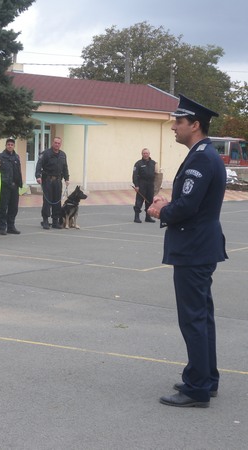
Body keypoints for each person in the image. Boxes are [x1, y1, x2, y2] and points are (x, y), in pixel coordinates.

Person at [147, 94, 227, 408]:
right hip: (200, 246)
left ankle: (197, 389)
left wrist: (162, 211)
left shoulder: (201, 157)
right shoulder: (205, 154)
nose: (173, 128)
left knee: (193, 318)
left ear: (194, 124)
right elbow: (194, 201)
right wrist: (171, 205)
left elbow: (189, 206)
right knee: (202, 317)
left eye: (178, 122)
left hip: (193, 248)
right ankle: (206, 377)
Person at [35, 137, 69, 230]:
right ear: (52, 143)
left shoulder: (63, 155)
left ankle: (55, 221)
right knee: (47, 201)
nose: (57, 144)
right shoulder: (46, 153)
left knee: (57, 201)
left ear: (60, 144)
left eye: (58, 143)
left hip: (58, 181)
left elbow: (65, 167)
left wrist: (67, 178)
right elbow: (39, 165)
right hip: (47, 180)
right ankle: (45, 220)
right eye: (55, 142)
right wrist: (38, 176)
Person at [0, 138, 23, 234]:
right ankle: (2, 227)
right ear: (5, 145)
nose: (10, 146)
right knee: (3, 208)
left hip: (15, 186)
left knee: (14, 208)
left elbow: (18, 171)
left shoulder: (16, 157)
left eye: (11, 145)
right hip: (5, 187)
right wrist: (5, 181)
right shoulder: (0, 157)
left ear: (14, 146)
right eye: (8, 144)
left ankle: (11, 226)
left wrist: (19, 183)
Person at [132, 148, 158, 223]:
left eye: (147, 153)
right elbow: (135, 175)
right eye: (144, 153)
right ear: (142, 154)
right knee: (139, 201)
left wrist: (158, 185)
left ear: (149, 154)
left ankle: (148, 217)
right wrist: (136, 185)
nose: (145, 154)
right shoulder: (138, 163)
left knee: (149, 201)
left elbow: (157, 175)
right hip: (142, 184)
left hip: (150, 184)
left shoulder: (154, 163)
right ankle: (136, 217)